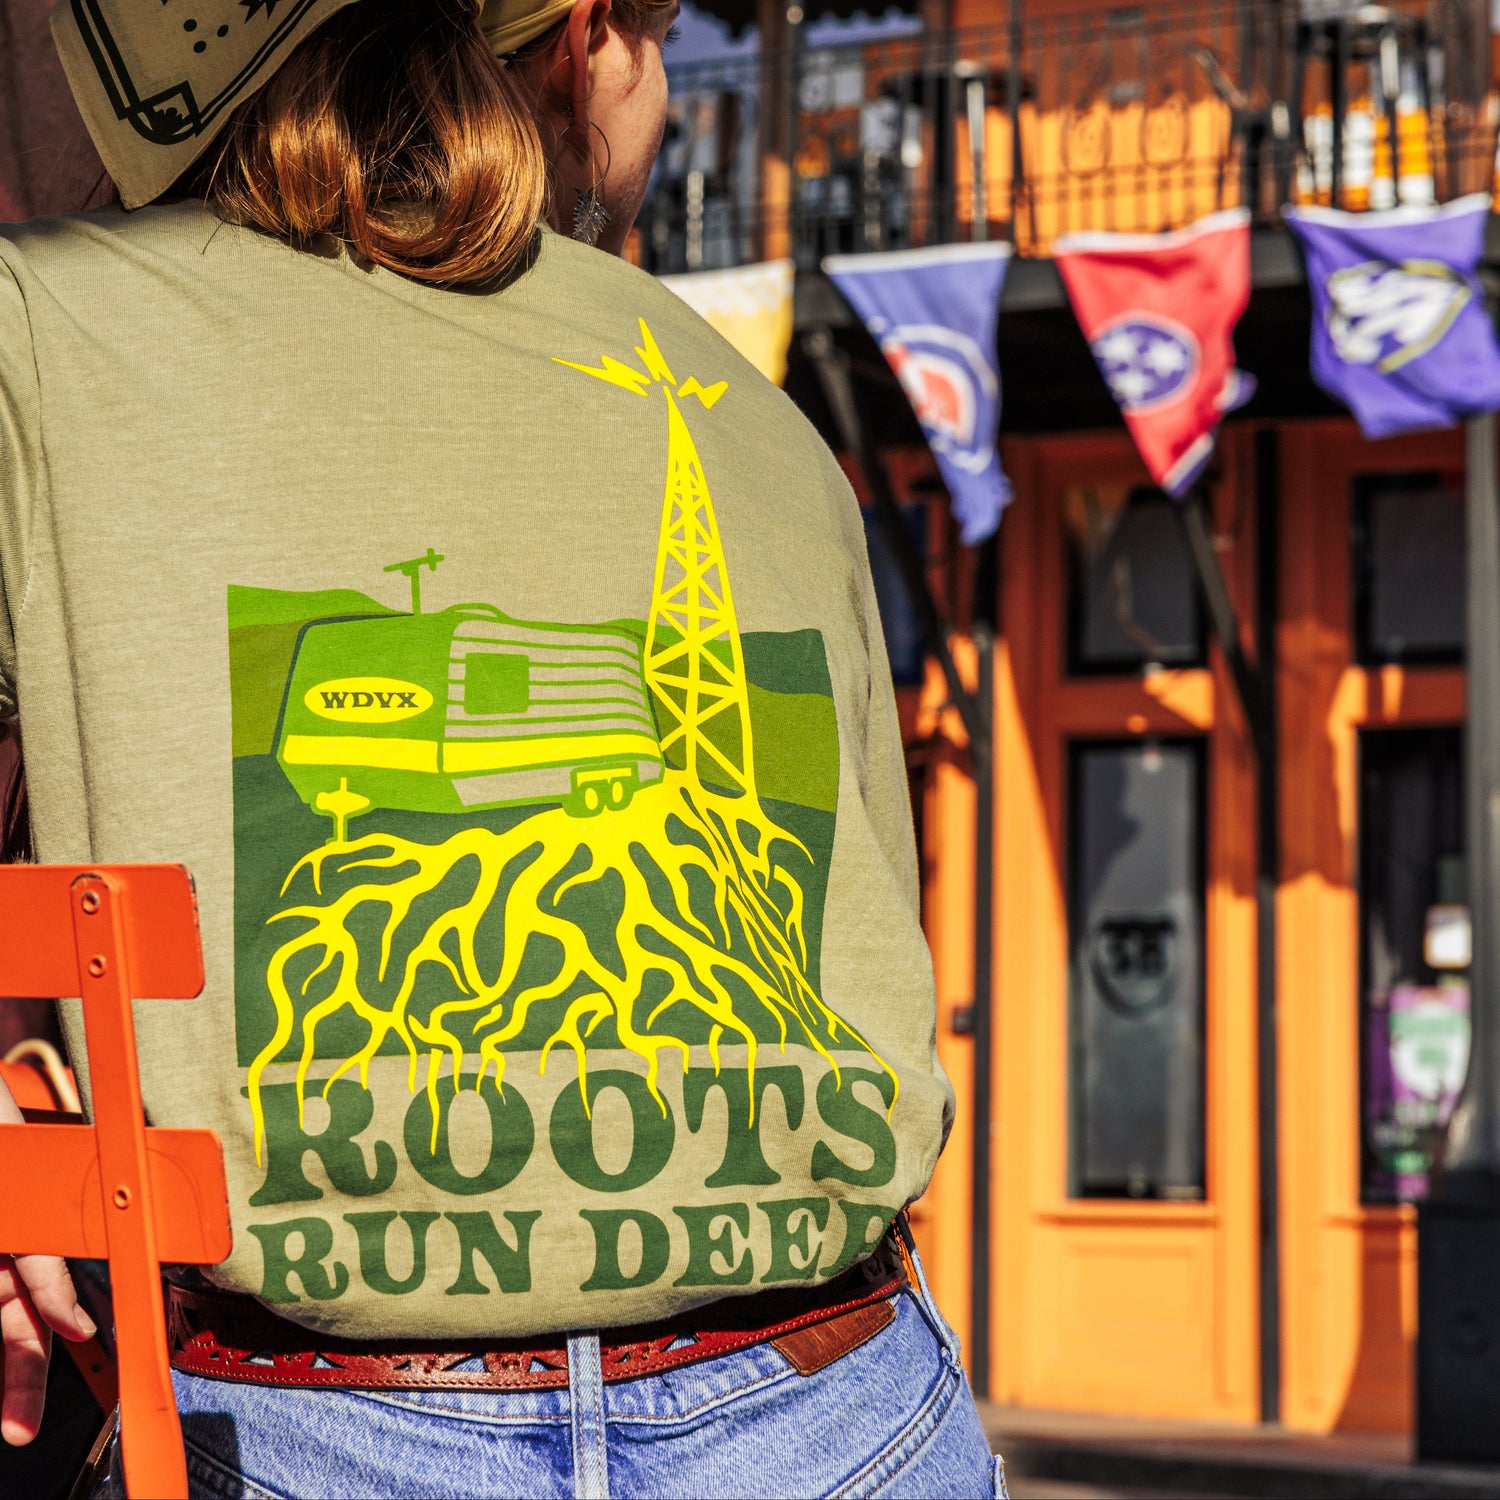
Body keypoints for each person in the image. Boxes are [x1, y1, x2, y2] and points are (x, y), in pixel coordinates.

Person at [0, 0, 1002, 1494]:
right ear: (590, 42)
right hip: (838, 1404)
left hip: (302, 1422)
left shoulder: (47, 321)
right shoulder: (747, 401)